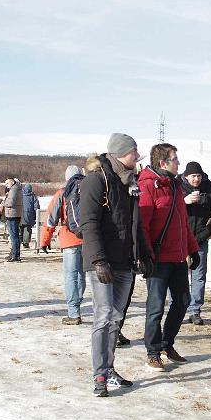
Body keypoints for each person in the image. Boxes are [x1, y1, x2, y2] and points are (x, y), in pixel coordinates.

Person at [80, 134, 151, 397]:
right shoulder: (96, 181)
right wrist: (98, 260)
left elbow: (135, 225)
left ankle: (109, 369)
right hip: (103, 263)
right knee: (103, 315)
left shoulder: (128, 183)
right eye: (135, 152)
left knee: (116, 317)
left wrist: (143, 254)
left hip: (125, 262)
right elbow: (88, 223)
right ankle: (99, 373)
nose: (138, 156)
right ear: (123, 153)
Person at [138, 143, 200, 372]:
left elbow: (183, 222)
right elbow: (142, 226)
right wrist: (146, 255)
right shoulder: (147, 186)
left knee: (183, 301)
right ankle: (152, 352)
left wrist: (192, 249)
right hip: (157, 259)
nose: (179, 163)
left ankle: (167, 344)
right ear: (163, 163)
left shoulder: (175, 185)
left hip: (177, 257)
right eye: (175, 159)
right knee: (155, 308)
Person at [41, 165, 85, 325]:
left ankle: (74, 312)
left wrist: (45, 241)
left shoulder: (62, 193)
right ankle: (77, 305)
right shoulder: (89, 189)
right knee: (81, 275)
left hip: (69, 238)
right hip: (87, 239)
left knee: (71, 276)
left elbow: (50, 219)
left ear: (67, 178)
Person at [181, 161, 211, 325]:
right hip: (180, 239)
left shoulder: (209, 187)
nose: (196, 179)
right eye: (193, 176)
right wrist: (184, 202)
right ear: (186, 176)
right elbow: (169, 209)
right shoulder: (178, 188)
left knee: (199, 276)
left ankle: (195, 311)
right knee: (179, 277)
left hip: (200, 237)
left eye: (198, 176)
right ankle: (178, 309)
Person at [3, 178, 24, 262]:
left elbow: (10, 203)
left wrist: (2, 202)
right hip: (15, 213)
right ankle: (15, 254)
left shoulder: (13, 190)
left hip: (12, 214)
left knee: (13, 236)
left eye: (7, 183)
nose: (6, 185)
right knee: (15, 236)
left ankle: (15, 255)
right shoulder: (18, 188)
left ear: (12, 182)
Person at [20, 183, 39, 248]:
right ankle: (26, 242)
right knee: (27, 229)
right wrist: (36, 214)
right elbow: (36, 207)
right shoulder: (33, 196)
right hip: (29, 215)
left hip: (20, 214)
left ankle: (19, 240)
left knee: (20, 227)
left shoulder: (20, 195)